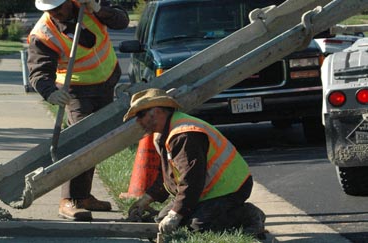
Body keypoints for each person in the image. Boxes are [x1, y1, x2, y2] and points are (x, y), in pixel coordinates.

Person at [28, 0, 129, 221]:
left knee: (96, 143)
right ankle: (69, 200)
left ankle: (83, 196)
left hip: (106, 82)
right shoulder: (43, 34)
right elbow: (38, 72)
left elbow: (122, 21)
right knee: (81, 141)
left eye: (57, 7)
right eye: (48, 9)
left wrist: (98, 9)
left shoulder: (89, 5)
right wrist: (50, 92)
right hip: (76, 91)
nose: (54, 12)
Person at [123, 88, 266, 238]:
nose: (138, 121)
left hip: (230, 188)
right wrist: (147, 199)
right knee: (162, 220)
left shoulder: (184, 135)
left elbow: (191, 180)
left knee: (197, 228)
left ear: (157, 111)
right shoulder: (164, 134)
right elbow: (169, 175)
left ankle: (249, 216)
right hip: (205, 190)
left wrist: (176, 214)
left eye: (140, 114)